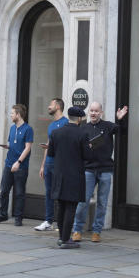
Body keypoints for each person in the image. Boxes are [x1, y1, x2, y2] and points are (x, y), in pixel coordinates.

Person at [72, 101, 128, 242]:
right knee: (83, 201)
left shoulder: (108, 126)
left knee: (102, 203)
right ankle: (77, 229)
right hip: (88, 170)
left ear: (101, 112)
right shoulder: (83, 128)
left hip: (105, 170)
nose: (93, 113)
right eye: (91, 110)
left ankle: (97, 231)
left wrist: (121, 119)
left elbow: (122, 131)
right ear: (88, 112)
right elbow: (77, 148)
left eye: (96, 111)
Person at [47, 106, 94, 248]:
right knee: (71, 207)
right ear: (79, 119)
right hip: (74, 176)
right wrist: (90, 147)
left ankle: (62, 237)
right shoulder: (82, 134)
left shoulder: (56, 133)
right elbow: (87, 156)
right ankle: (67, 239)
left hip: (59, 175)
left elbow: (50, 153)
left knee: (61, 206)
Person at [0, 104, 33, 226]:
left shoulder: (28, 129)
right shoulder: (12, 128)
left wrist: (18, 162)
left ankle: (18, 218)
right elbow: (12, 143)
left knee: (19, 193)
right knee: (4, 191)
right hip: (9, 164)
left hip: (21, 166)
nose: (10, 115)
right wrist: (7, 147)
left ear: (18, 115)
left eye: (12, 113)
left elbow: (27, 148)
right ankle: (2, 214)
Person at [34, 97, 68, 232]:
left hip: (60, 165)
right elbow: (48, 146)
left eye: (51, 104)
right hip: (49, 164)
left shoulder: (66, 123)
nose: (49, 107)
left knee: (60, 194)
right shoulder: (51, 125)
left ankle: (61, 223)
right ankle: (48, 221)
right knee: (48, 193)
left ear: (58, 107)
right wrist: (43, 165)